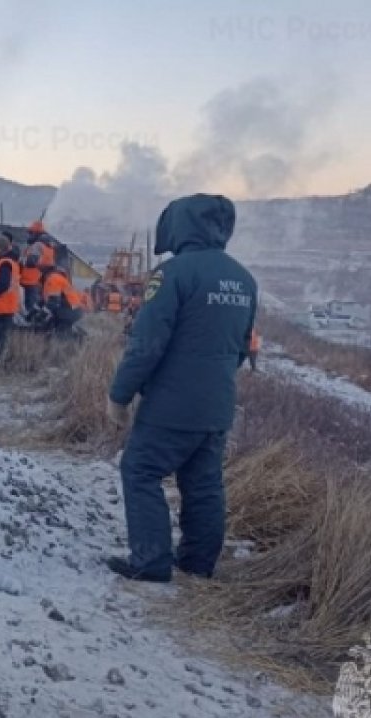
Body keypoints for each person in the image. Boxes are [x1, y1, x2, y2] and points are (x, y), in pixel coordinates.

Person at [105, 194, 258, 583]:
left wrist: (120, 394)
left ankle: (151, 563)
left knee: (140, 469)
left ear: (180, 225)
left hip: (170, 406)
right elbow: (242, 347)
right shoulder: (243, 279)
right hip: (218, 405)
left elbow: (146, 344)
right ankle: (197, 563)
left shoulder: (173, 274)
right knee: (203, 482)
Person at [39, 261, 86, 338]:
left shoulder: (53, 279)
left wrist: (41, 315)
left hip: (68, 312)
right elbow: (45, 300)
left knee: (59, 334)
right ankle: (77, 336)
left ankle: (74, 339)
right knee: (51, 325)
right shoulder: (58, 278)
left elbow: (53, 302)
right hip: (72, 311)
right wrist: (35, 311)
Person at [21, 221, 55, 313]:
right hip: (37, 279)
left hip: (29, 279)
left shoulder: (37, 245)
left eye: (30, 233)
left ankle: (30, 323)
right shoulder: (48, 246)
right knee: (34, 304)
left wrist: (20, 261)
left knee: (30, 306)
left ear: (36, 233)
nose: (29, 235)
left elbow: (31, 261)